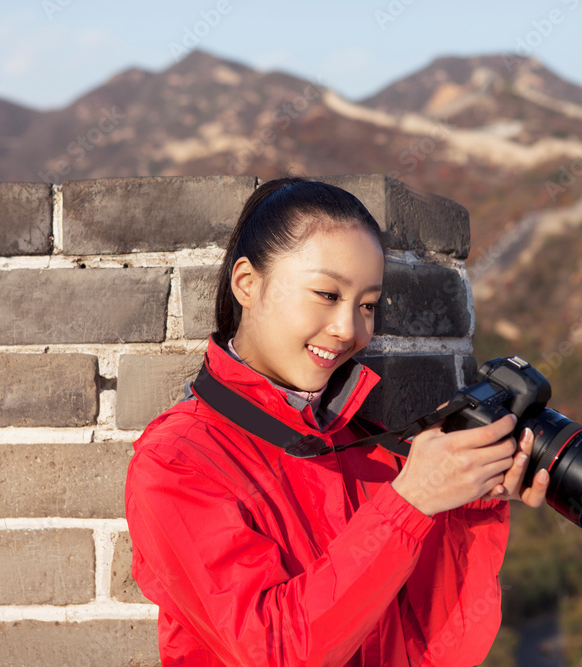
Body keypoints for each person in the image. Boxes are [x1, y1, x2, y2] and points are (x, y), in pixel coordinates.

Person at [124, 177, 550, 666]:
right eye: (327, 294)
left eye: (367, 305)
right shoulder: (177, 462)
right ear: (247, 282)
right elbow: (278, 651)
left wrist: (468, 503)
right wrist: (409, 504)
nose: (350, 329)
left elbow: (441, 651)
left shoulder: (366, 449)